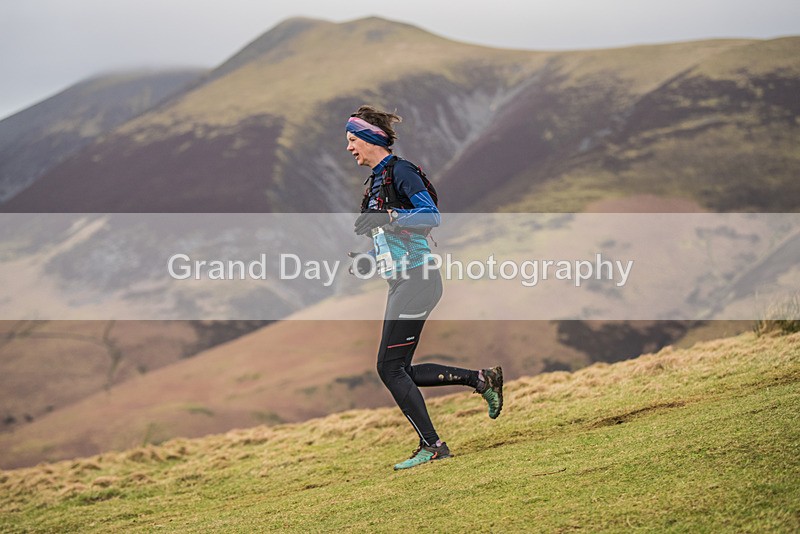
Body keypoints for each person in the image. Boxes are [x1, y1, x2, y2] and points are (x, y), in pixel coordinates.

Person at [346, 105, 503, 470]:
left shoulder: (401, 171)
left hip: (418, 278)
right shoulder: (376, 182)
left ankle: (433, 446)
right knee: (398, 367)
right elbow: (393, 233)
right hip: (403, 279)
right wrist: (369, 256)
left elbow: (431, 215)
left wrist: (387, 217)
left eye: (353, 140)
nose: (350, 148)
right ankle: (482, 380)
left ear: (370, 138)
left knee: (390, 367)